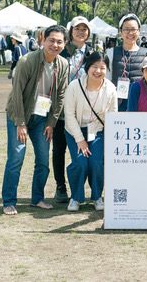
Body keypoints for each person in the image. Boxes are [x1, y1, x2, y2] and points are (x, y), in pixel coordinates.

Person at [1, 25, 69, 215]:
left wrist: (51, 123)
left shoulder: (63, 64)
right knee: (16, 158)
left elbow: (61, 95)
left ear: (64, 44)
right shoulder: (27, 61)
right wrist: (20, 123)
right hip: (19, 114)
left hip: (42, 118)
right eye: (51, 40)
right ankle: (9, 201)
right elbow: (16, 94)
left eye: (59, 42)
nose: (55, 45)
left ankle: (37, 198)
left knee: (43, 160)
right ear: (43, 40)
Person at [63, 51, 117, 212]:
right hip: (75, 130)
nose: (98, 71)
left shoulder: (110, 88)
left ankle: (97, 196)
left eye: (102, 67)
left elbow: (112, 116)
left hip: (98, 131)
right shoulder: (74, 86)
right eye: (94, 66)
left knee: (96, 163)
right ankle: (76, 197)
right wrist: (80, 139)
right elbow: (69, 115)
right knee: (80, 163)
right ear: (87, 67)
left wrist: (109, 141)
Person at [51, 16, 93, 204]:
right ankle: (60, 187)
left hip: (85, 112)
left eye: (85, 29)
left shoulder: (93, 54)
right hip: (61, 110)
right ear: (71, 31)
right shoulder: (61, 52)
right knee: (59, 150)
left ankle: (83, 188)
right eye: (77, 29)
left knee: (84, 152)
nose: (81, 32)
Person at [106, 14, 147, 111]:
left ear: (139, 31)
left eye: (133, 29)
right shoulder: (111, 53)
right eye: (126, 29)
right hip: (116, 104)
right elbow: (107, 80)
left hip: (140, 103)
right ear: (121, 31)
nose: (130, 33)